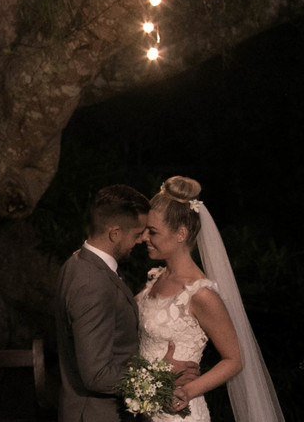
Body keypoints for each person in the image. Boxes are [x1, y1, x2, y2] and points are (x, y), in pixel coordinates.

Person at [137, 176, 285, 421]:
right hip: (143, 409)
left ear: (181, 234)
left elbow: (235, 360)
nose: (144, 237)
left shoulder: (201, 294)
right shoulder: (157, 277)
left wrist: (187, 390)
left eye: (152, 231)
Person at [55, 184, 195, 421]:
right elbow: (96, 375)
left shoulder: (77, 262)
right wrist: (159, 375)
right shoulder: (92, 283)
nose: (142, 239)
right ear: (115, 233)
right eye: (137, 233)